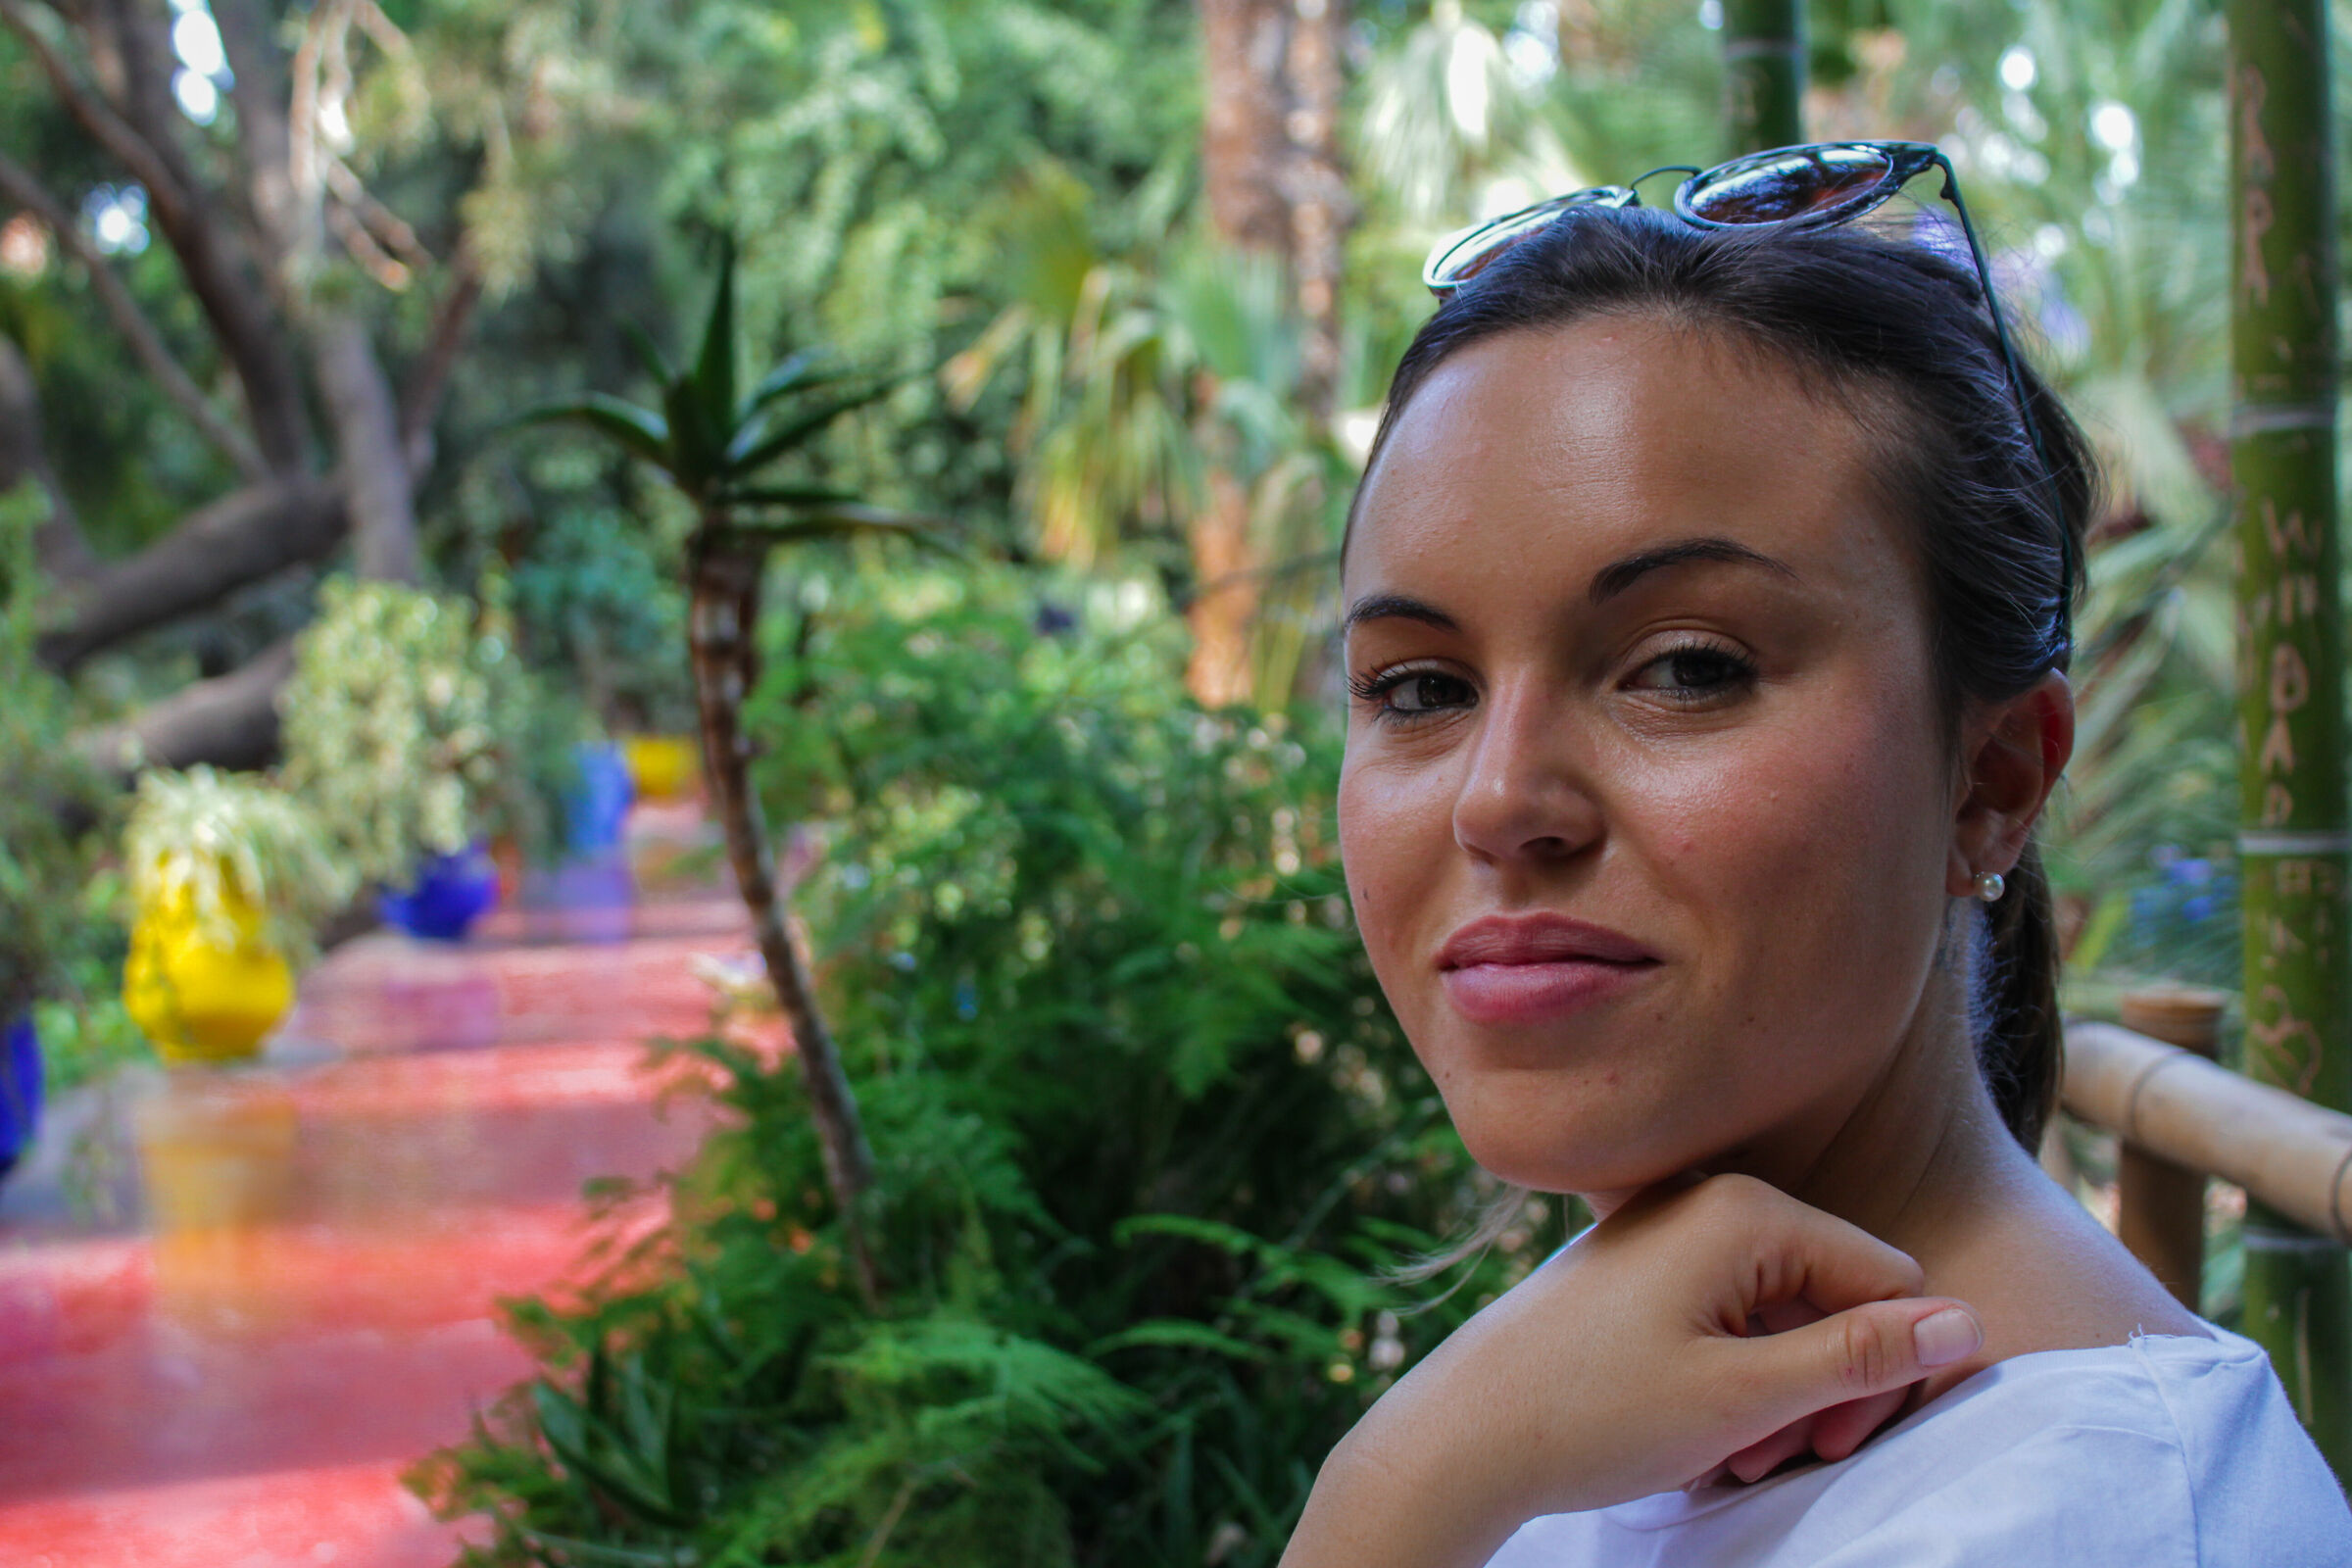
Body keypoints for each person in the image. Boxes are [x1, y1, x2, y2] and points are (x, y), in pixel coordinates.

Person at [1281, 149, 2352, 1566]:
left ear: (1992, 778)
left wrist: (1391, 1498)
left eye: (1685, 667)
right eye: (1420, 687)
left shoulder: (2086, 1515)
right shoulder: (1596, 1391)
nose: (1498, 802)